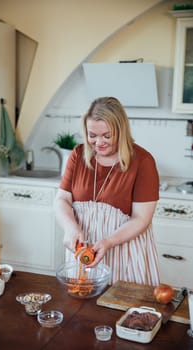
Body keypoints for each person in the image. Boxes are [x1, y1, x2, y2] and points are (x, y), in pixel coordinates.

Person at [55, 96, 160, 286]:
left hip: (124, 252)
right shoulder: (78, 155)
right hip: (82, 252)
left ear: (121, 131)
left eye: (107, 136)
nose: (99, 143)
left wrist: (108, 242)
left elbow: (141, 219)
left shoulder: (143, 162)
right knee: (81, 308)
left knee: (124, 309)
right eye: (92, 135)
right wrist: (70, 228)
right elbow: (62, 199)